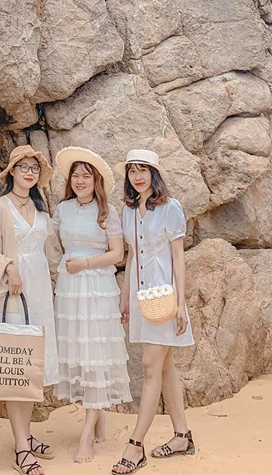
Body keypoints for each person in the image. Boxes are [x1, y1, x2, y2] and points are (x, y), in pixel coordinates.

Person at [112, 150, 195, 475]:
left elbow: (178, 257)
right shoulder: (129, 210)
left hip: (165, 295)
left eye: (143, 170)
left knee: (149, 367)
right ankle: (182, 436)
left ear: (153, 174)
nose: (137, 176)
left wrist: (180, 303)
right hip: (140, 295)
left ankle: (135, 446)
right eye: (132, 171)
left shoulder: (170, 208)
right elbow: (132, 256)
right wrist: (124, 297)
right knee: (165, 367)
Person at [0, 145, 61, 475]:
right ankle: (21, 448)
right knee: (16, 366)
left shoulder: (42, 212)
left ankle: (26, 436)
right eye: (23, 167)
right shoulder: (0, 208)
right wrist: (9, 267)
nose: (29, 172)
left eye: (34, 168)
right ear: (11, 171)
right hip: (13, 296)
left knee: (31, 369)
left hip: (39, 295)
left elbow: (52, 255)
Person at [53, 146, 131, 464]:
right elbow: (57, 246)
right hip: (70, 290)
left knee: (95, 355)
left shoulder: (107, 212)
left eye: (86, 175)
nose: (80, 180)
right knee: (79, 354)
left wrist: (84, 264)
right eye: (76, 175)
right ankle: (98, 416)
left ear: (96, 180)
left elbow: (117, 254)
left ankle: (87, 433)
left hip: (97, 288)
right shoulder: (63, 209)